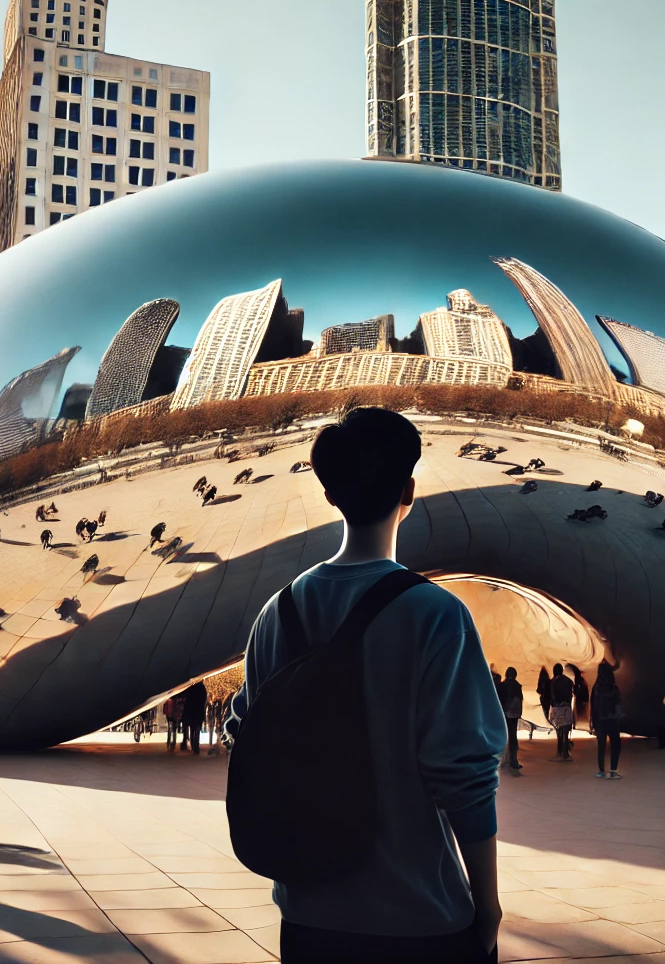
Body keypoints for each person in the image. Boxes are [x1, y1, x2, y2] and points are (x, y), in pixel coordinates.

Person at [225, 408, 505, 963]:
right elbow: (464, 775)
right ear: (409, 490)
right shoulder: (436, 614)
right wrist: (488, 905)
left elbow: (245, 730)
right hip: (419, 915)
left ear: (330, 495)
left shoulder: (274, 615)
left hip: (307, 917)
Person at [590, 662, 622, 779]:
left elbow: (593, 706)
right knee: (615, 745)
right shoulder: (613, 687)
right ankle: (613, 770)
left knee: (601, 746)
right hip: (612, 720)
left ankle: (601, 771)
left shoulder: (596, 687)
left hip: (600, 721)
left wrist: (593, 722)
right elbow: (618, 703)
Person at [498, 668, 523, 771]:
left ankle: (504, 759)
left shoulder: (502, 685)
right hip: (514, 714)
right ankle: (514, 760)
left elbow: (499, 699)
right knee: (513, 736)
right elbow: (520, 699)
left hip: (504, 713)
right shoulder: (517, 685)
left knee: (505, 736)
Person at [549, 664, 574, 761]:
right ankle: (566, 753)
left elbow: (553, 696)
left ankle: (560, 753)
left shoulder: (553, 682)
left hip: (557, 708)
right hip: (566, 707)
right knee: (565, 731)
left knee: (559, 731)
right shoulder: (568, 681)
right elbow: (570, 695)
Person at [182, 681, 208, 754]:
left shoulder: (191, 688)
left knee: (192, 729)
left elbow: (187, 699)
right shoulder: (202, 688)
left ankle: (193, 744)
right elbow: (204, 699)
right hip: (199, 712)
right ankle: (196, 746)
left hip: (191, 712)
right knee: (197, 729)